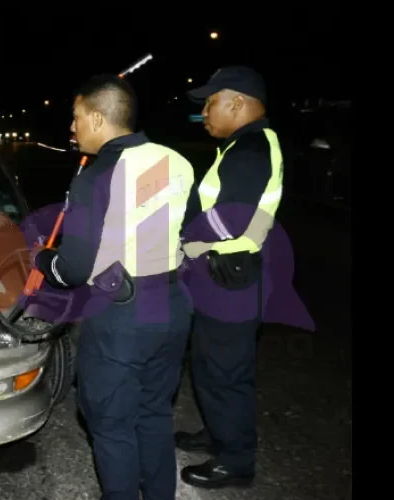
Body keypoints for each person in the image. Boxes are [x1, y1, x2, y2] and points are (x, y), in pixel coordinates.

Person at [32, 74, 195, 500]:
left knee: (111, 424)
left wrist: (42, 259)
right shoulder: (176, 161)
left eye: (77, 118)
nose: (72, 128)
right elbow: (190, 233)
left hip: (123, 315)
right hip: (173, 304)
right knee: (154, 412)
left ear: (99, 118)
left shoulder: (98, 174)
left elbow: (73, 268)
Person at [175, 66, 285, 489]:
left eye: (210, 102)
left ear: (237, 102)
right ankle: (218, 433)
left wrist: (183, 241)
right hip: (226, 275)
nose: (204, 112)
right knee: (209, 365)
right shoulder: (244, 144)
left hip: (231, 281)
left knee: (225, 372)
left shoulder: (251, 148)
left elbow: (230, 220)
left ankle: (236, 460)